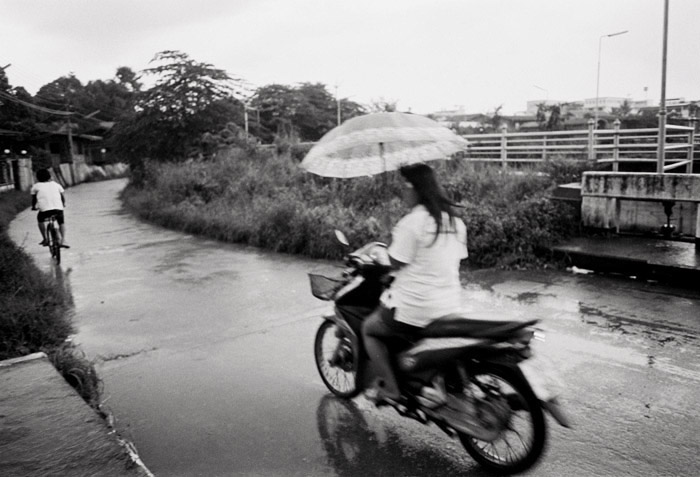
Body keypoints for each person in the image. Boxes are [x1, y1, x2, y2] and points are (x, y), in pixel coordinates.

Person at [362, 163, 468, 405]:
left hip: (416, 308)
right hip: (450, 305)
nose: (402, 192)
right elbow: (449, 259)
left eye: (404, 187)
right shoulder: (455, 222)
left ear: (416, 189)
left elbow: (394, 263)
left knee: (370, 328)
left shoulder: (412, 222)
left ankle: (390, 388)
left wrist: (388, 245)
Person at [31, 168, 69, 248]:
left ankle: (45, 238)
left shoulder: (36, 186)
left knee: (40, 219)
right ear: (49, 176)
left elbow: (34, 199)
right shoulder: (56, 184)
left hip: (45, 210)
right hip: (58, 209)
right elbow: (62, 197)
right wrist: (63, 204)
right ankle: (64, 240)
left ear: (37, 177)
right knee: (61, 222)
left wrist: (33, 207)